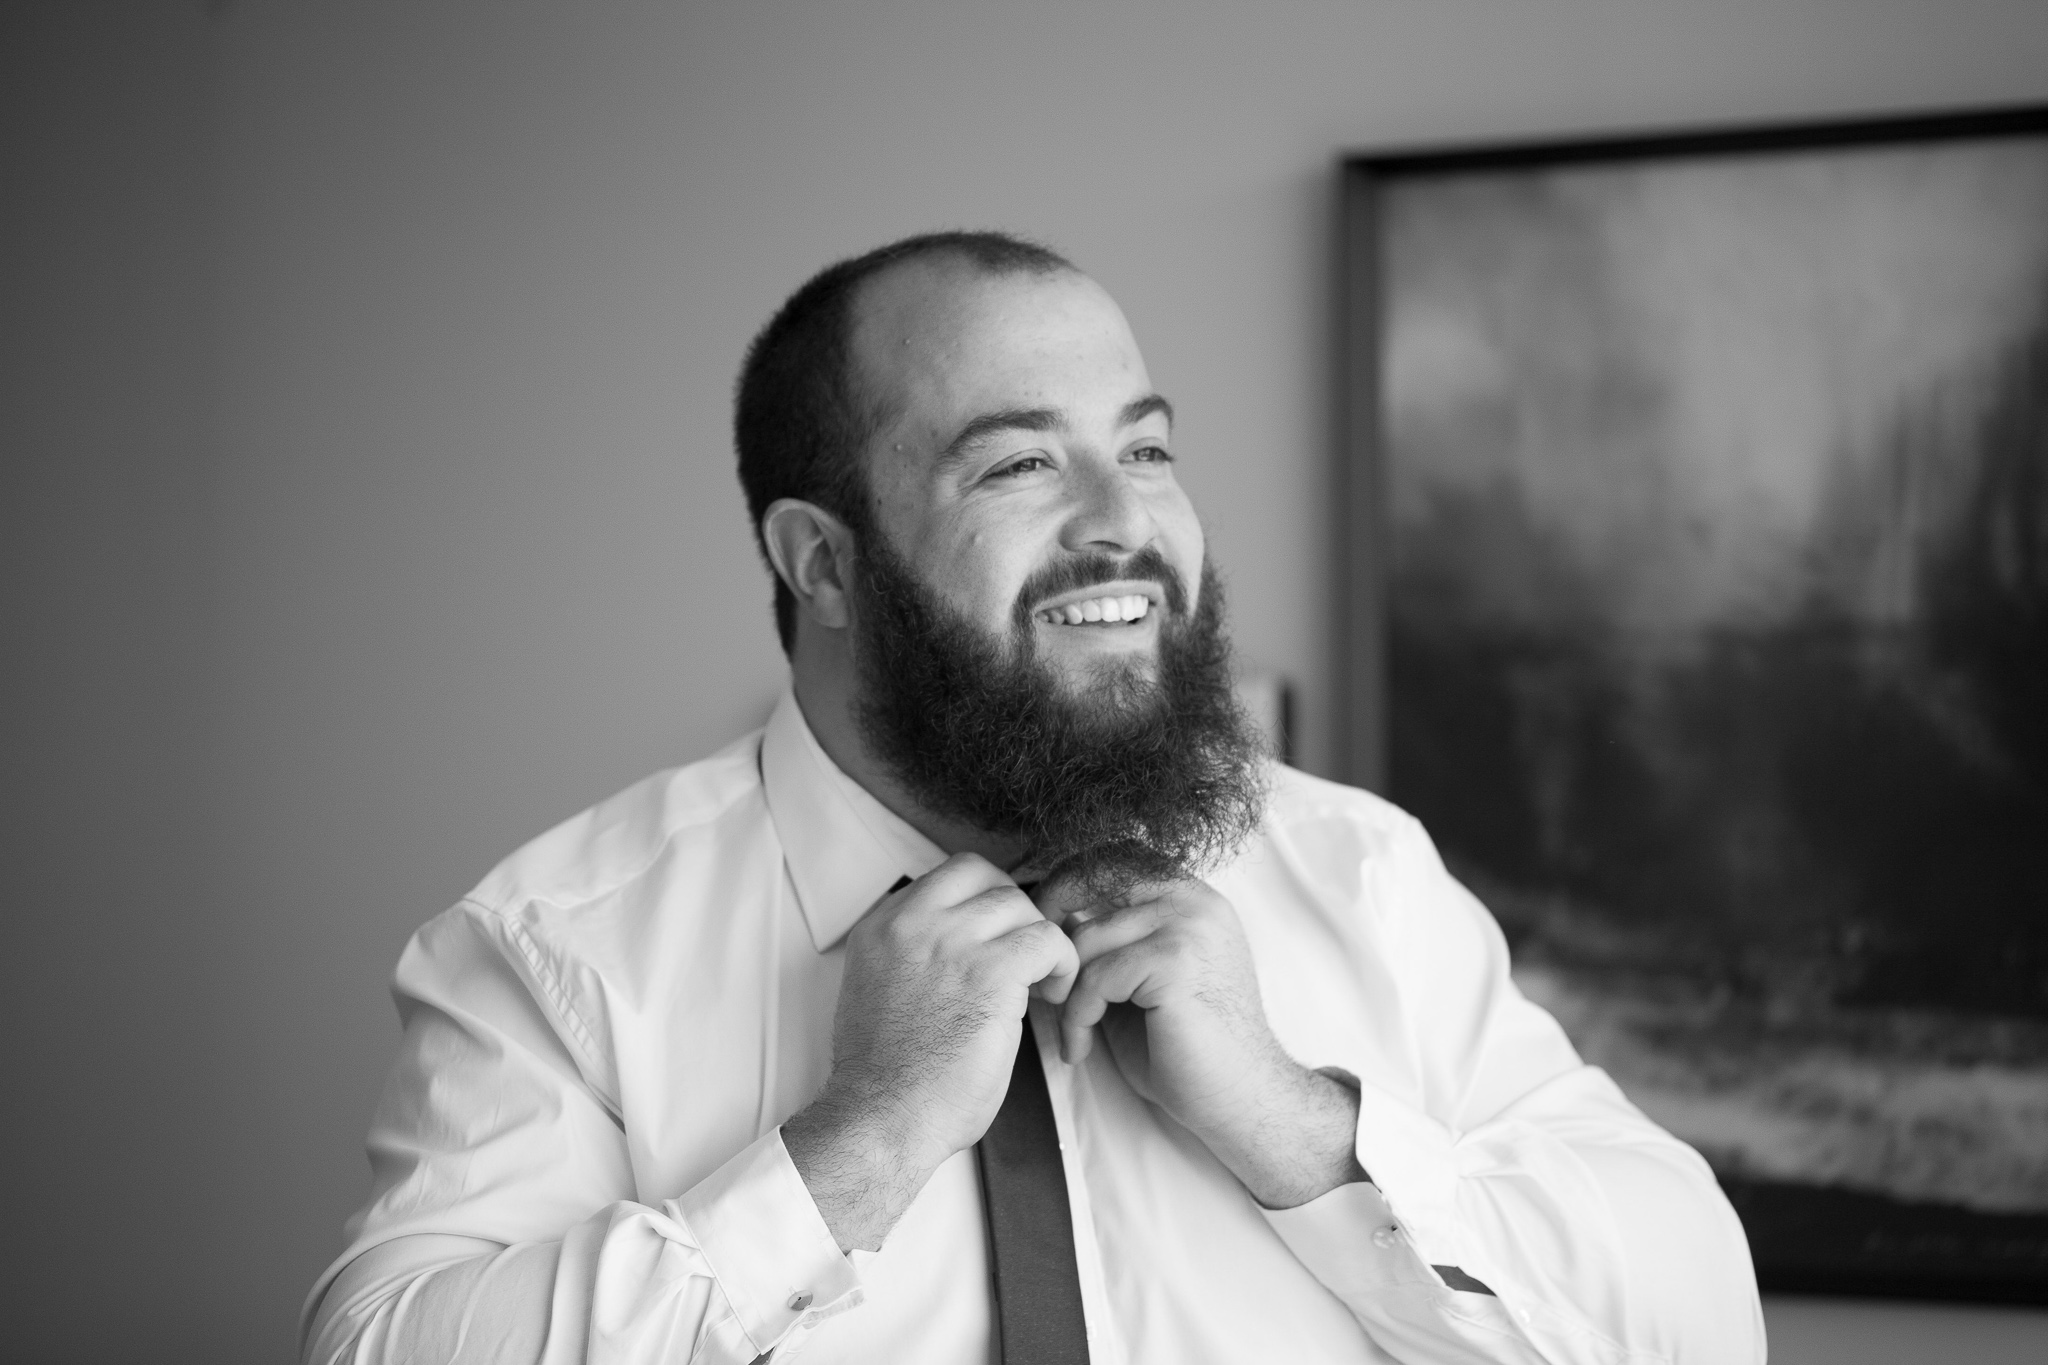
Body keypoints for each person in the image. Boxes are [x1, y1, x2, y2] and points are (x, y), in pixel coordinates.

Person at [301, 232, 1764, 1364]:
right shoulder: (560, 949)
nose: (1125, 523)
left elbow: (1698, 1316)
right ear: (821, 561)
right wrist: (852, 1147)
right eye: (1018, 463)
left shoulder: (1355, 873)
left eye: (1145, 447)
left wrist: (1299, 1124)